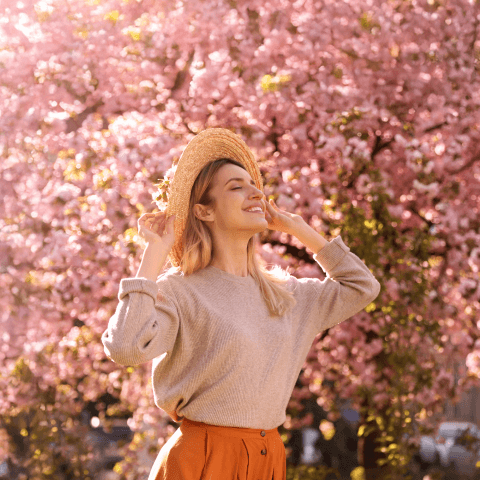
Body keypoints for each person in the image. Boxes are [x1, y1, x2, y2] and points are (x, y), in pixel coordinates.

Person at [102, 128, 381, 480]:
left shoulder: (286, 294)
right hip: (201, 459)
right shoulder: (179, 290)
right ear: (203, 211)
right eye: (237, 186)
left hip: (268, 459)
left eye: (254, 184)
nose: (256, 193)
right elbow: (126, 348)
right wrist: (155, 252)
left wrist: (300, 230)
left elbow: (362, 287)